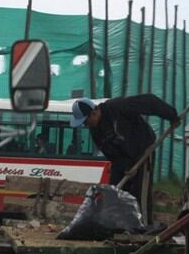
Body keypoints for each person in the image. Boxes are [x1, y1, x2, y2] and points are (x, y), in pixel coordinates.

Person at [70, 95, 180, 225]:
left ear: (94, 112)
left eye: (85, 121)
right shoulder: (95, 131)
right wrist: (125, 166)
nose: (86, 125)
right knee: (115, 191)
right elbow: (110, 153)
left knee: (140, 192)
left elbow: (149, 101)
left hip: (143, 151)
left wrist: (171, 115)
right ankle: (120, 225)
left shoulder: (117, 107)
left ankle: (143, 225)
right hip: (121, 159)